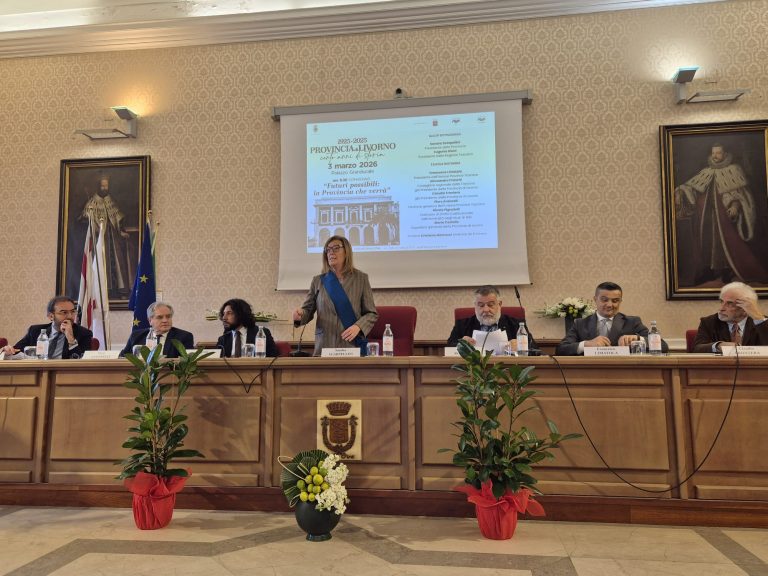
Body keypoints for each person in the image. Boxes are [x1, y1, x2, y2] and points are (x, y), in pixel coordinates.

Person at [674, 143, 768, 284]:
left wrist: (735, 206)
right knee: (706, 242)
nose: (715, 156)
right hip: (705, 216)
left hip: (724, 216)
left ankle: (727, 271)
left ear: (725, 154)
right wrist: (681, 191)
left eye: (718, 153)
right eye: (713, 153)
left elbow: (739, 193)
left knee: (727, 243)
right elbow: (693, 187)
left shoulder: (734, 170)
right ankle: (709, 271)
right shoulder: (706, 171)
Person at [292, 235, 378, 356]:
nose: (331, 252)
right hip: (325, 344)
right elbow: (307, 311)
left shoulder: (361, 279)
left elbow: (371, 313)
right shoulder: (318, 281)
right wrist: (299, 316)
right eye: (328, 250)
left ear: (346, 252)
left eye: (336, 248)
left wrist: (358, 326)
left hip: (351, 345)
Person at [556, 282, 668, 355]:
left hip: (625, 373)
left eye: (615, 301)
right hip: (588, 373)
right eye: (604, 300)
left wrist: (638, 339)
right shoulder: (580, 323)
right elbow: (560, 349)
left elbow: (663, 346)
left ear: (620, 301)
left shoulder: (632, 322)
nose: (610, 305)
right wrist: (586, 344)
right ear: (595, 299)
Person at [80, 175, 132, 299]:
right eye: (102, 186)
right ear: (98, 186)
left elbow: (118, 218)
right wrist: (89, 218)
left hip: (113, 238)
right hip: (99, 238)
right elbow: (85, 218)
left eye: (106, 185)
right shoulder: (92, 202)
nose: (104, 188)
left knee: (117, 263)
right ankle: (103, 291)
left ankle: (120, 290)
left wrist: (121, 231)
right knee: (101, 263)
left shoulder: (111, 201)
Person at [447, 285, 536, 352]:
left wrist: (521, 347)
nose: (486, 310)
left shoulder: (516, 324)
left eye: (490, 305)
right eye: (481, 305)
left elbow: (535, 349)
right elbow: (448, 347)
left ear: (499, 304)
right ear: (475, 306)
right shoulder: (462, 325)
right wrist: (460, 345)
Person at [2, 296, 92, 359]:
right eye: (64, 312)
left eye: (72, 312)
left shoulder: (84, 333)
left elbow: (81, 361)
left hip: (65, 376)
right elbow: (16, 350)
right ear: (51, 316)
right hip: (36, 373)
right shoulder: (35, 331)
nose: (70, 316)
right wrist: (7, 350)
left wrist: (70, 339)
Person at [692, 281, 768, 353]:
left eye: (730, 303)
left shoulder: (761, 323)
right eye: (722, 302)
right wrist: (718, 346)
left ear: (745, 308)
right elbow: (696, 349)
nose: (721, 308)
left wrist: (757, 317)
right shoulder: (709, 322)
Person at [120, 301, 194, 358]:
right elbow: (123, 357)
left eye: (168, 316)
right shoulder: (136, 336)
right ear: (150, 320)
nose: (165, 320)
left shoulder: (184, 337)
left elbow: (187, 363)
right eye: (160, 317)